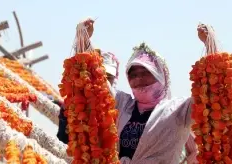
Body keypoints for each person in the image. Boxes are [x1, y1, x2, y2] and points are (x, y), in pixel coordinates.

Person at [59, 19, 210, 163]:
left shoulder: (178, 110)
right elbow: (95, 82)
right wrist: (83, 41)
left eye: (145, 72)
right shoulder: (123, 104)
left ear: (160, 76)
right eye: (133, 74)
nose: (138, 79)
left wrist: (210, 45)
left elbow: (208, 96)